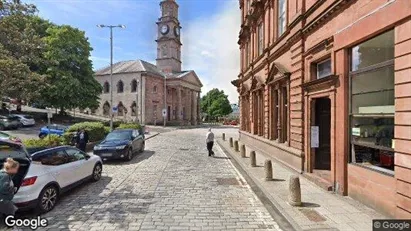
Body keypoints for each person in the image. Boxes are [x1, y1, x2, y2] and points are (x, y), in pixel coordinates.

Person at [0, 158, 19, 227]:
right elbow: (3, 188)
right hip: (3, 199)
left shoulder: (1, 172)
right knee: (11, 212)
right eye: (16, 169)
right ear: (11, 168)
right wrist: (13, 189)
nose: (17, 171)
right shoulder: (5, 176)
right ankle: (11, 226)